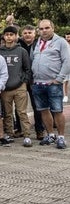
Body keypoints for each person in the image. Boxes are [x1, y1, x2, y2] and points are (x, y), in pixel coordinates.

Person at [31, 19, 70, 148]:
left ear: (53, 28)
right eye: (41, 29)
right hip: (38, 83)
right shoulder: (37, 42)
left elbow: (67, 61)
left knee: (57, 110)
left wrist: (59, 79)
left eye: (47, 28)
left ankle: (61, 137)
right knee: (43, 110)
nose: (44, 31)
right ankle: (51, 135)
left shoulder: (61, 42)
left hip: (53, 83)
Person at [0, 26, 33, 147]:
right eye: (7, 35)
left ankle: (27, 135)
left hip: (19, 86)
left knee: (22, 112)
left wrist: (24, 81)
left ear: (16, 36)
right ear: (4, 36)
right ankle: (9, 133)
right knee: (7, 113)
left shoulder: (22, 51)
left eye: (11, 35)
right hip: (5, 88)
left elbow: (27, 69)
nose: (9, 37)